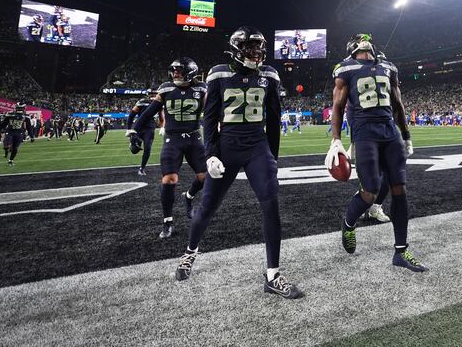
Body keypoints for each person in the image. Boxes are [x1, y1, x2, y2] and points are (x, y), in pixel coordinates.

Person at [175, 26, 302, 299]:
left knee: (271, 204)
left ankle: (272, 275)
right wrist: (210, 154)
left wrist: (273, 158)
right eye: (250, 49)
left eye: (259, 48)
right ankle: (190, 252)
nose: (256, 54)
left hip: (257, 147)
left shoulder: (269, 74)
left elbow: (274, 119)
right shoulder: (219, 72)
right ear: (236, 49)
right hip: (227, 147)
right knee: (207, 206)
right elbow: (208, 118)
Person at [325, 33, 424, 272]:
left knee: (399, 188)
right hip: (365, 132)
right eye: (361, 39)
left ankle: (401, 251)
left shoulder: (388, 66)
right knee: (370, 191)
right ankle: (349, 223)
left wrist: (407, 135)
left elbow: (398, 104)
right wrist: (336, 140)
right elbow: (338, 107)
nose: (366, 40)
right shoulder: (345, 68)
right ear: (352, 47)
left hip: (390, 131)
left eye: (368, 38)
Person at [129, 57, 207, 236]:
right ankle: (168, 222)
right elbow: (148, 113)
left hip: (194, 138)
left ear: (190, 71)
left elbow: (210, 111)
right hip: (173, 140)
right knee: (169, 179)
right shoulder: (166, 88)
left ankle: (188, 197)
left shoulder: (201, 88)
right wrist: (134, 132)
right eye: (173, 70)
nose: (175, 73)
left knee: (205, 178)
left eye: (178, 70)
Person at [127, 90, 163, 176]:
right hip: (139, 127)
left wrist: (162, 126)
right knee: (134, 150)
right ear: (148, 95)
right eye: (152, 94)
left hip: (150, 129)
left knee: (147, 148)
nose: (154, 96)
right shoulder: (142, 102)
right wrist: (129, 129)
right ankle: (134, 142)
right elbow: (131, 115)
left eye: (155, 94)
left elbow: (162, 117)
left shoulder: (160, 104)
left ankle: (142, 168)